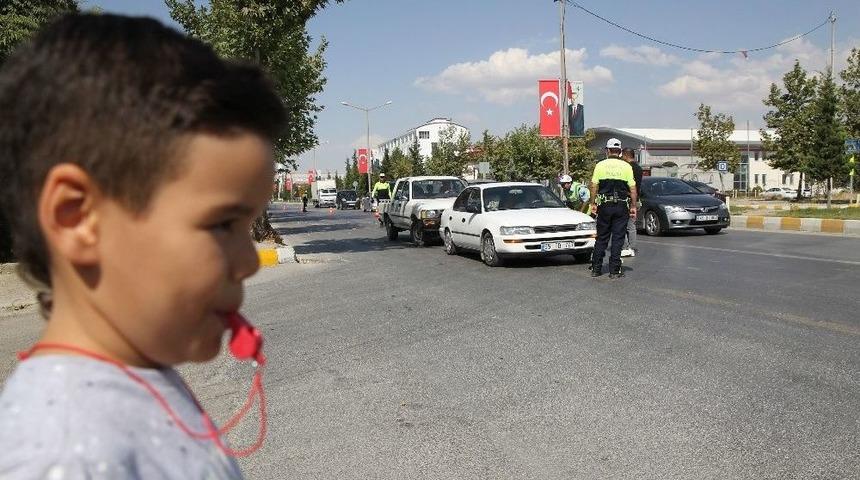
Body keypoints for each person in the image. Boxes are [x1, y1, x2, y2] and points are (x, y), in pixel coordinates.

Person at [0, 14, 286, 478]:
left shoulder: (138, 374)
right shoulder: (60, 453)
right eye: (222, 224)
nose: (250, 261)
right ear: (78, 218)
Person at [588, 138, 638, 278]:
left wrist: (593, 204)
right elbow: (633, 189)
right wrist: (633, 206)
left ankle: (596, 268)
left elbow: (593, 186)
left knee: (602, 238)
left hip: (604, 205)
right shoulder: (627, 167)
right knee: (618, 238)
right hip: (621, 206)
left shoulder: (600, 165)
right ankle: (614, 270)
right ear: (620, 151)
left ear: (607, 150)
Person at [620, 147, 643, 257]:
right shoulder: (638, 168)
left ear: (625, 155)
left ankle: (625, 247)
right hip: (636, 199)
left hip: (627, 198)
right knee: (631, 224)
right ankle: (632, 247)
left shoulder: (627, 167)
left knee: (623, 224)